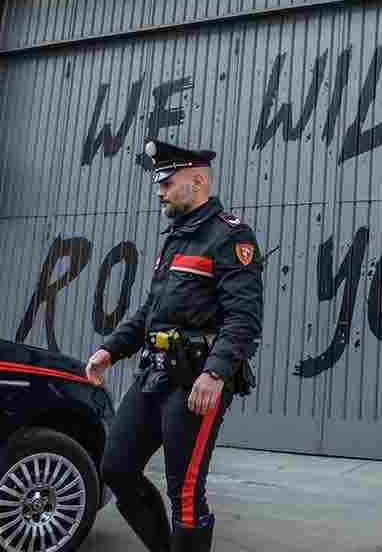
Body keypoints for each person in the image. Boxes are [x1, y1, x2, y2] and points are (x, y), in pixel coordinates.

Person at [85, 139, 264, 552]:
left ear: (198, 181)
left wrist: (216, 373)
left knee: (184, 492)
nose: (159, 190)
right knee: (117, 467)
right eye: (158, 182)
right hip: (155, 374)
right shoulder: (177, 238)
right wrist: (110, 350)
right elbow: (152, 309)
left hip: (196, 383)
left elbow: (244, 319)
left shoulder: (230, 237)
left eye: (167, 181)